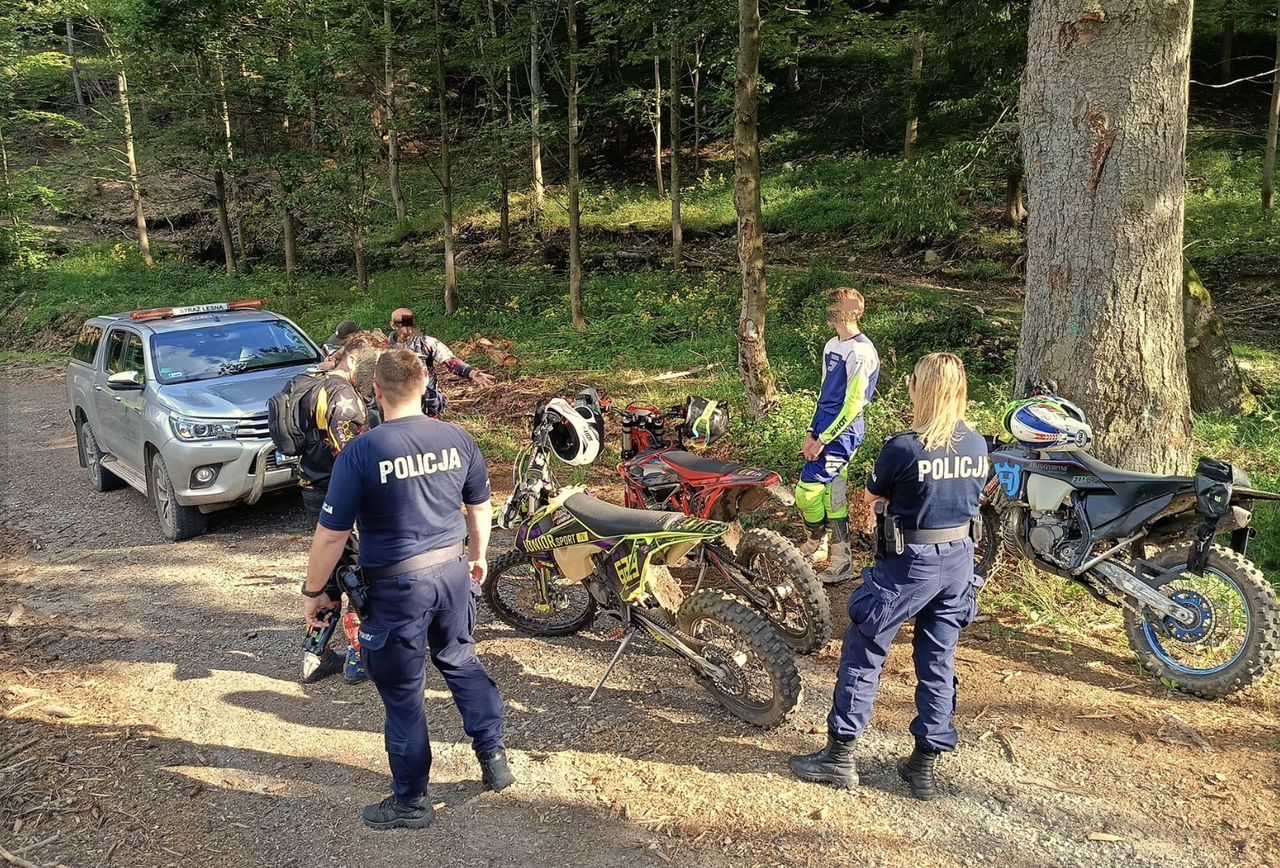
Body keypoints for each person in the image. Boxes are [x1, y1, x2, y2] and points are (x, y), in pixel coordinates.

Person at [301, 348, 513, 830]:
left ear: (374, 391)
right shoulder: (457, 438)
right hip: (452, 572)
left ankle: (411, 802)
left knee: (402, 694)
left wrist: (314, 590)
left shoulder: (362, 451)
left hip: (397, 587)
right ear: (424, 386)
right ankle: (494, 759)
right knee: (461, 660)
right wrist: (478, 556)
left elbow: (333, 534)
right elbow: (480, 507)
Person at [788, 352, 988, 800]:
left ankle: (840, 756)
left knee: (865, 651)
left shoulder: (903, 447)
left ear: (923, 389)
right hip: (959, 562)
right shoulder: (977, 444)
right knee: (939, 660)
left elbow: (872, 497)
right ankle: (924, 765)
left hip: (909, 563)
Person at [297, 332, 384, 683]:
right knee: (355, 576)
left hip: (312, 486)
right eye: (369, 364)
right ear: (351, 360)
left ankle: (314, 654)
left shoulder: (312, 384)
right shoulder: (343, 395)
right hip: (338, 494)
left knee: (333, 574)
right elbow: (350, 454)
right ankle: (357, 657)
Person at [795, 288, 880, 584]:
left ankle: (816, 540)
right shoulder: (832, 345)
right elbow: (824, 393)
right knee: (833, 494)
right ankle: (838, 557)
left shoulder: (861, 352)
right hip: (822, 426)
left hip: (843, 433)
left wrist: (825, 438)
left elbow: (853, 404)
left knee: (806, 492)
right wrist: (811, 430)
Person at [388, 307, 495, 415]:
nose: (406, 329)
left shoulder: (426, 343)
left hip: (426, 404)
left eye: (408, 323)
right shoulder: (382, 346)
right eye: (400, 324)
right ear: (392, 325)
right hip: (394, 405)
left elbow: (450, 361)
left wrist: (471, 373)